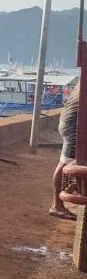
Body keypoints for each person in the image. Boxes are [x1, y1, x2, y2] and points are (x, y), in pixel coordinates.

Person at [50, 85, 80, 221]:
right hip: (73, 124)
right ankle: (57, 205)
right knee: (65, 163)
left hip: (69, 121)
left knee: (72, 160)